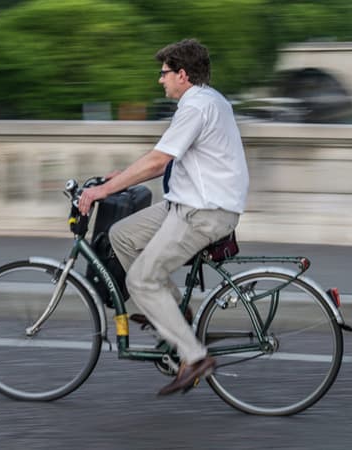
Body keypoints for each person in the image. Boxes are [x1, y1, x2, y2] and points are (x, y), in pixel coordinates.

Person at [77, 38, 249, 396]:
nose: (160, 80)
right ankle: (174, 313)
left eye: (164, 73)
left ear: (182, 74)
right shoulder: (208, 99)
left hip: (203, 212)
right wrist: (120, 176)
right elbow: (163, 158)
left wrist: (101, 192)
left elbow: (158, 161)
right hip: (187, 203)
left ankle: (195, 356)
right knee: (121, 236)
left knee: (140, 280)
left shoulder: (196, 106)